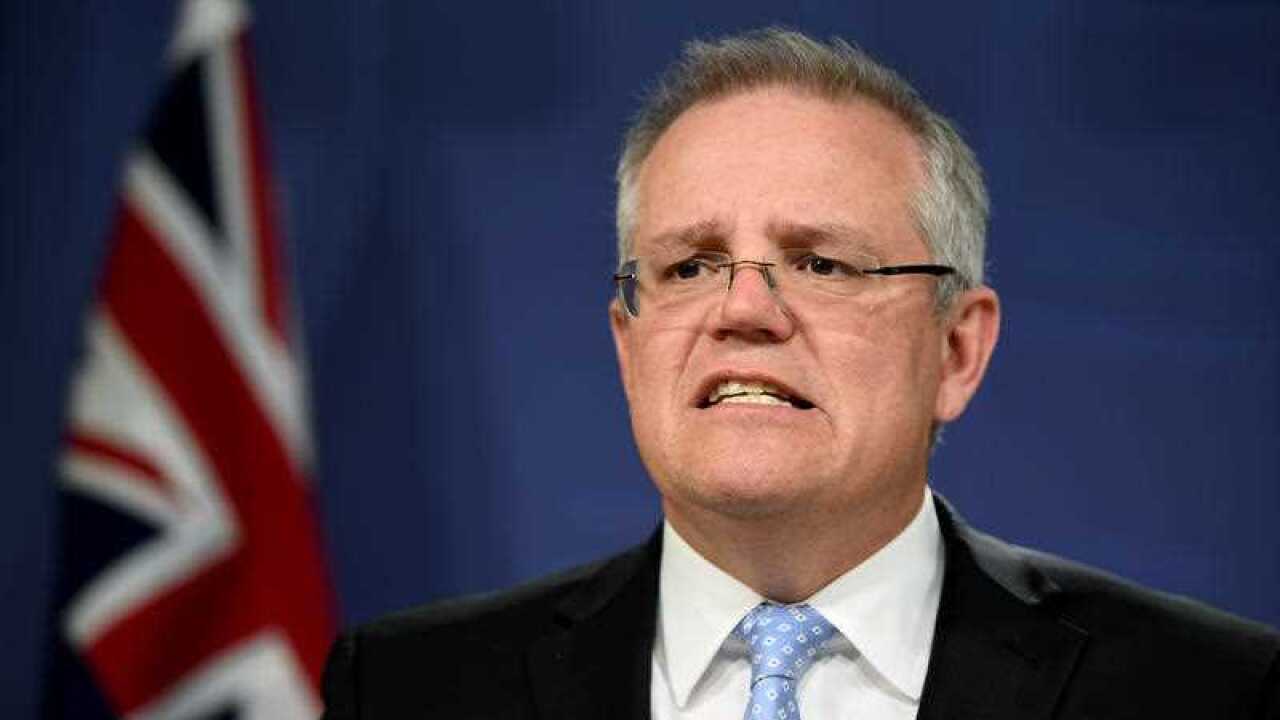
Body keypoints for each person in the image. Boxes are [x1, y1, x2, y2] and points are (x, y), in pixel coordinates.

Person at [319, 28, 1279, 719]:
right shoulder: (407, 688)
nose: (742, 309)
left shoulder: (1208, 691)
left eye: (822, 263)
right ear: (628, 342)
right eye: (690, 265)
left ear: (958, 350)